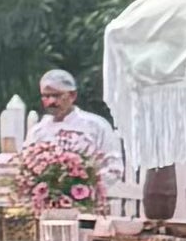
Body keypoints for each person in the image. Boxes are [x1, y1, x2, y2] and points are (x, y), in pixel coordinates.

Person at [33, 68, 125, 203]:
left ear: (72, 95)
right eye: (46, 96)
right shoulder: (37, 131)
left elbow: (114, 167)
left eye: (57, 96)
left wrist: (85, 189)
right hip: (46, 205)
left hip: (88, 203)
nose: (51, 101)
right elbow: (28, 168)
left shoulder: (96, 126)